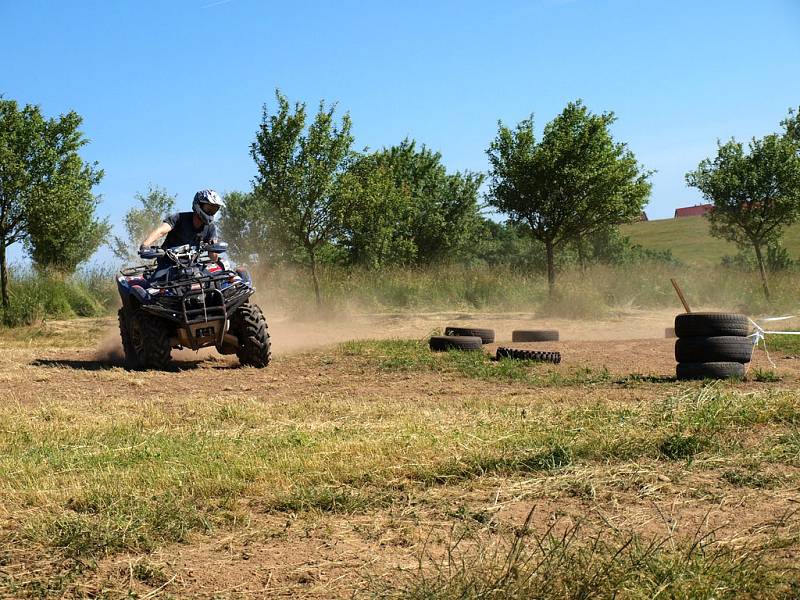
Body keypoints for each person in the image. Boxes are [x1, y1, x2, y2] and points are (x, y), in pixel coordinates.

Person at [140, 189, 225, 256]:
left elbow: (213, 258)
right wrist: (145, 245)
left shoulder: (211, 227)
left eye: (214, 210)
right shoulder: (179, 218)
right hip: (167, 264)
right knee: (157, 278)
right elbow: (161, 231)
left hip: (193, 266)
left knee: (216, 277)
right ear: (198, 205)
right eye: (208, 208)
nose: (210, 213)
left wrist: (213, 248)